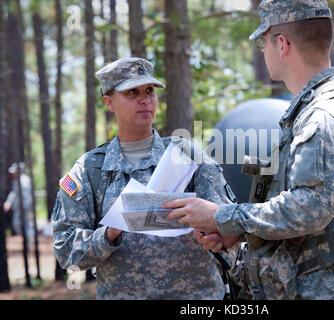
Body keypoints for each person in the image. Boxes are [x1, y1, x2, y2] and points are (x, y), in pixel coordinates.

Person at [163, 0, 334, 300]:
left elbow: (310, 209)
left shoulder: (325, 114)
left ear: (281, 44)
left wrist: (222, 217)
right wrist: (239, 233)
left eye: (262, 42)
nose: (263, 51)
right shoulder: (314, 110)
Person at [51, 57, 237, 299]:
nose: (145, 99)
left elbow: (231, 223)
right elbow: (66, 251)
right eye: (132, 92)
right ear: (109, 102)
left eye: (150, 91)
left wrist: (217, 237)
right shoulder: (89, 170)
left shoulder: (187, 156)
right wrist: (108, 234)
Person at [3, 162, 34, 246]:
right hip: (18, 207)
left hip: (24, 207)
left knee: (24, 224)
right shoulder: (16, 181)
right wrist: (8, 203)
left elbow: (26, 196)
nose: (12, 174)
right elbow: (14, 193)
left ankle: (29, 241)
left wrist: (23, 205)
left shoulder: (24, 181)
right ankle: (28, 240)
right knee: (18, 224)